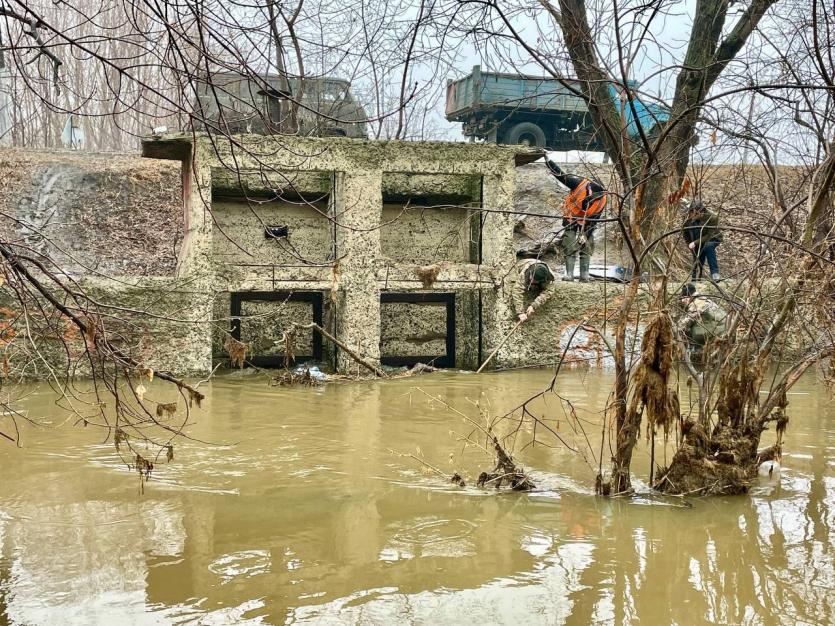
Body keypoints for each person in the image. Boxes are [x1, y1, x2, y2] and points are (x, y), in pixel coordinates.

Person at [545, 157, 608, 283]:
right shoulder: (578, 184)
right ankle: (569, 274)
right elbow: (560, 175)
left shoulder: (602, 201)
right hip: (571, 216)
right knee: (569, 243)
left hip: (588, 221)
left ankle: (584, 275)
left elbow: (594, 221)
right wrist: (548, 161)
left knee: (587, 244)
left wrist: (586, 234)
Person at [681, 199, 722, 281]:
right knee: (698, 256)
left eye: (693, 212)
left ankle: (715, 273)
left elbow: (709, 235)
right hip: (697, 239)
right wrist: (690, 244)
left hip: (712, 238)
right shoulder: (688, 219)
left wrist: (695, 242)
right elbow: (685, 233)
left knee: (708, 246)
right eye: (691, 212)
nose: (691, 214)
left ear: (700, 211)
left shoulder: (712, 217)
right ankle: (695, 278)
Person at [678, 283, 726, 352]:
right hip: (724, 330)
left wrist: (673, 329)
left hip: (720, 334)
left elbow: (685, 323)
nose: (682, 301)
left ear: (689, 296)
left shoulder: (697, 303)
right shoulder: (703, 299)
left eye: (683, 298)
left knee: (692, 327)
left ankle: (698, 350)